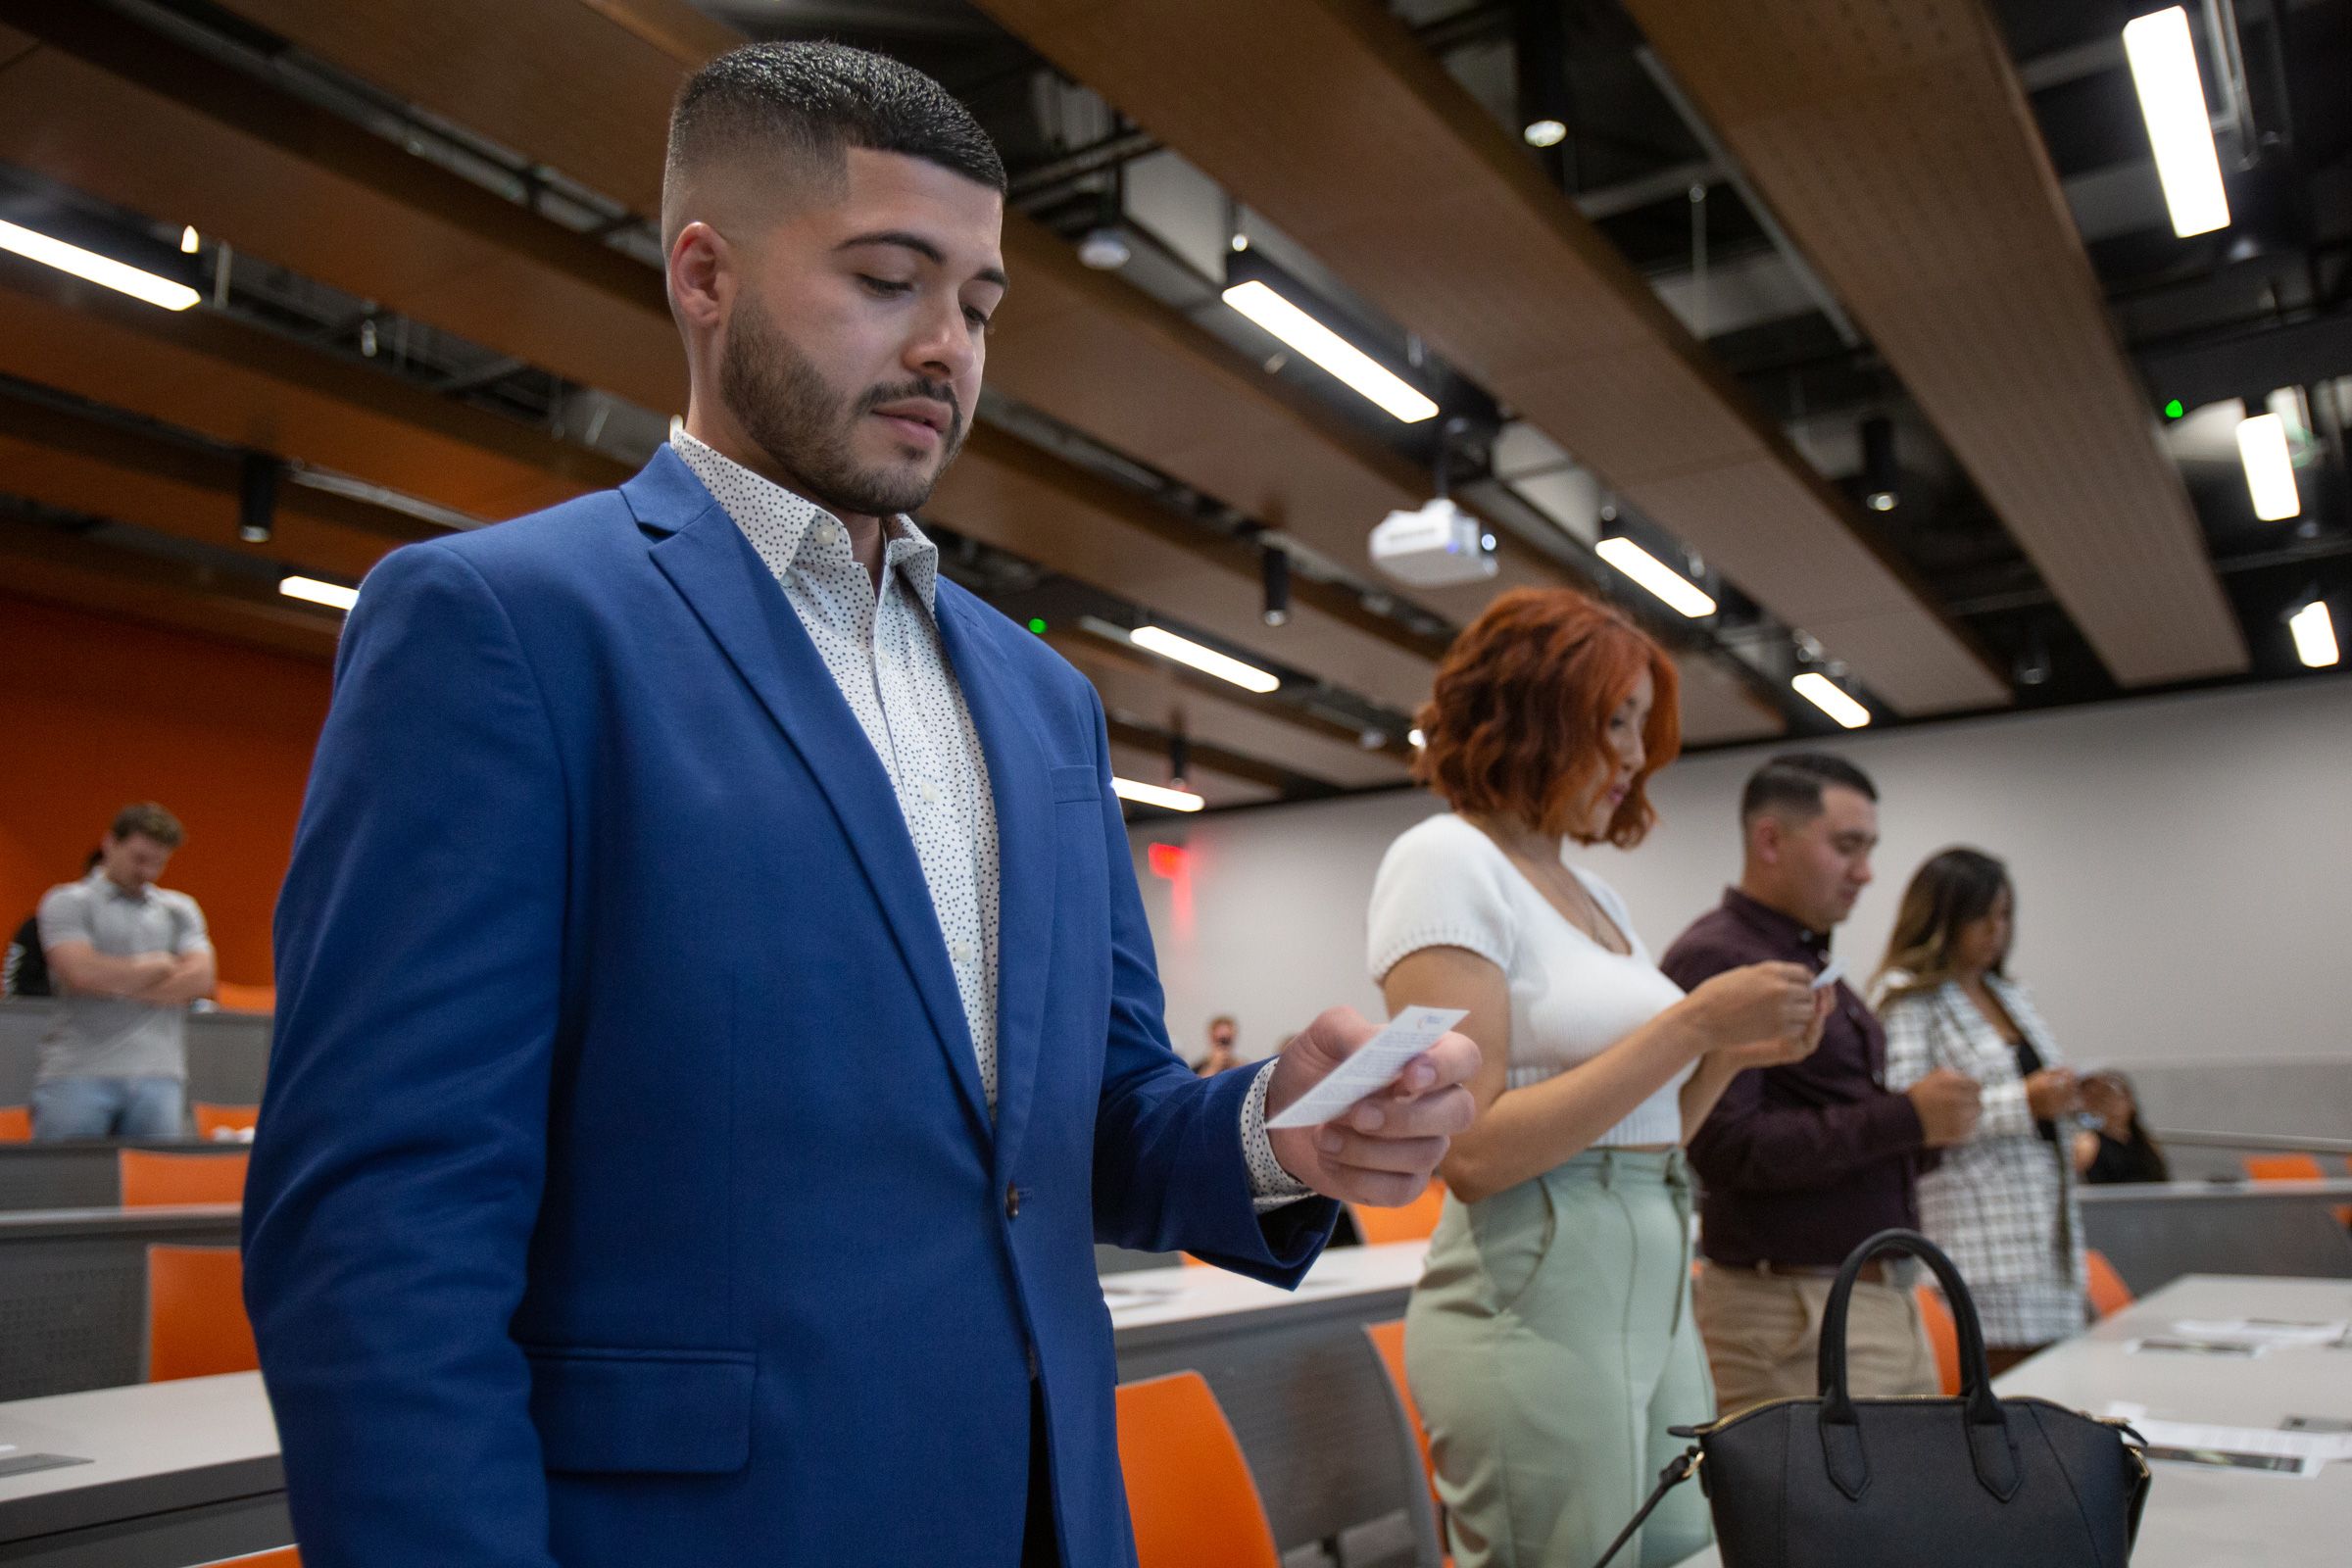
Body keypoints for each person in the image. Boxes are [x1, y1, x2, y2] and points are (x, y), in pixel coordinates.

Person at [240, 42, 1476, 1568]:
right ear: (706, 277)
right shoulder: (502, 625)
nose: (946, 347)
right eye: (890, 280)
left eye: (976, 303)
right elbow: (381, 1236)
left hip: (1043, 1516)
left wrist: (1281, 1137)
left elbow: (1085, 1123)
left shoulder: (1041, 704)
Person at [1372, 588, 1829, 1568]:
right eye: (1612, 722)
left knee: (1677, 1551)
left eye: (1639, 724)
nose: (1634, 753)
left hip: (1654, 1268)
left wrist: (1731, 1052)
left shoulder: (1595, 892)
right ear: (1533, 714)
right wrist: (1696, 1020)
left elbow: (1652, 1124)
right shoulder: (1444, 858)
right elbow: (1474, 1151)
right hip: (1538, 1286)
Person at [1662, 755, 1983, 1417]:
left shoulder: (1805, 958)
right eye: (1846, 847)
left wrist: (1930, 1129)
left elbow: (1834, 1137)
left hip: (1865, 1296)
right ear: (1771, 841)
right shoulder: (1722, 957)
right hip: (1794, 1310)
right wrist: (1905, 1120)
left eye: (1868, 849)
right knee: (1828, 1520)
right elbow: (1725, 1150)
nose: (1865, 872)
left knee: (1901, 1514)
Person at [1876, 849, 2088, 1372]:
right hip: (1973, 1232)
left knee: (2051, 1387)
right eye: (1984, 916)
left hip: (2044, 1225)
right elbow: (1909, 1113)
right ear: (1943, 919)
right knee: (1998, 1391)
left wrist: (2079, 1101)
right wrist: (2026, 1101)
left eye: (2006, 915)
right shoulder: (1909, 999)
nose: (1998, 931)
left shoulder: (2008, 994)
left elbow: (2036, 1094)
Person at [29, 806, 214, 1139]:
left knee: (154, 1187)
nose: (147, 871)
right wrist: (156, 968)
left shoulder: (180, 909)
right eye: (139, 858)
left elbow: (201, 979)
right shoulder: (67, 901)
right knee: (63, 1185)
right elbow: (80, 972)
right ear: (110, 843)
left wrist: (113, 983)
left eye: (158, 862)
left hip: (160, 1074)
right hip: (77, 1072)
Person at [2075, 1071, 2169, 1184]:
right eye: (2108, 1099)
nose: (2115, 1105)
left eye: (2121, 1098)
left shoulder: (2144, 1140)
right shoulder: (2090, 1143)